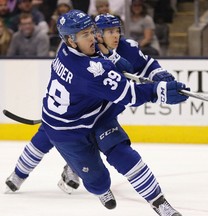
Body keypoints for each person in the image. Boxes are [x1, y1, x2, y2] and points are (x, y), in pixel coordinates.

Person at [5, 11, 185, 216]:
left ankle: (159, 202)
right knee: (99, 183)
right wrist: (158, 91)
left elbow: (122, 64)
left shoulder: (68, 47)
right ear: (71, 41)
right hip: (66, 130)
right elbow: (129, 95)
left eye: (92, 32)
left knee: (124, 155)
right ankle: (67, 169)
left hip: (97, 115)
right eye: (85, 35)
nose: (93, 38)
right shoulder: (89, 71)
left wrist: (113, 56)